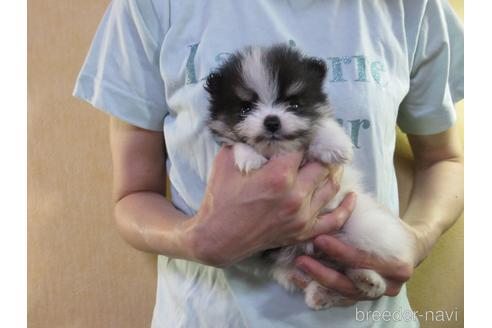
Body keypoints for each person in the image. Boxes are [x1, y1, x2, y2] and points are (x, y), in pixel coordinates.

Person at [73, 0, 464, 327]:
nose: (272, 117)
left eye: (289, 104)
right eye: (249, 106)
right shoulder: (150, 6)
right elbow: (132, 195)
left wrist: (417, 239)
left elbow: (445, 158)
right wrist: (197, 239)